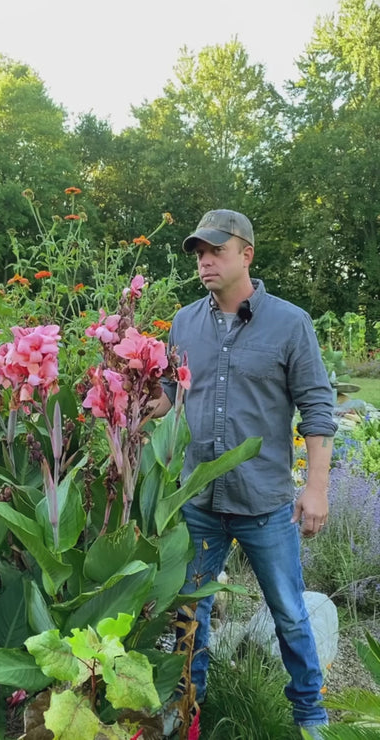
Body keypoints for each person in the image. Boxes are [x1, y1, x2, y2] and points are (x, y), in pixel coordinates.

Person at [154, 209, 337, 739]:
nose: (205, 261)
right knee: (190, 615)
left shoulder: (289, 322)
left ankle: (311, 719)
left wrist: (317, 487)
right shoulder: (185, 322)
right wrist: (136, 400)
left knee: (289, 613)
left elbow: (318, 408)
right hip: (199, 500)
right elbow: (171, 392)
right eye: (198, 253)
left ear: (246, 255)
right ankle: (190, 713)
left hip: (265, 502)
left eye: (215, 251)